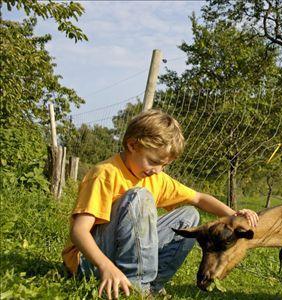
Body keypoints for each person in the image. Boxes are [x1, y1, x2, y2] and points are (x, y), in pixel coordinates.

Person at [62, 109, 259, 299]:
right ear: (132, 145)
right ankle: (138, 287)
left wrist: (234, 215)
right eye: (154, 161)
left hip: (120, 256)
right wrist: (106, 266)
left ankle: (152, 285)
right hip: (91, 263)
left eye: (164, 165)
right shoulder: (105, 174)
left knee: (189, 215)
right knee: (139, 196)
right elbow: (79, 231)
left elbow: (199, 198)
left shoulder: (155, 177)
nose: (158, 170)